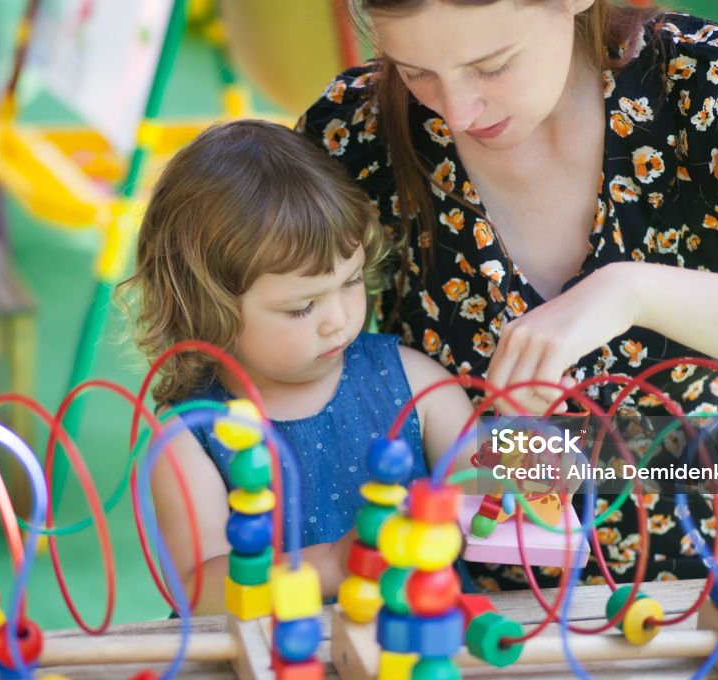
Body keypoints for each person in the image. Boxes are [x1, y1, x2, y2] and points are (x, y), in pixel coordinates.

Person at [298, 0, 718, 600]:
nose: (455, 110)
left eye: (493, 65)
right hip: (490, 600)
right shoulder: (356, 135)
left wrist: (633, 290)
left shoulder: (698, 82)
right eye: (414, 70)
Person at [117, 120, 475, 615]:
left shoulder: (412, 382)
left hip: (414, 646)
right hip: (266, 658)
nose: (339, 322)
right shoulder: (189, 435)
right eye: (301, 308)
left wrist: (544, 439)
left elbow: (488, 474)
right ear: (208, 310)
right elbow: (198, 589)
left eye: (350, 282)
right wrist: (333, 563)